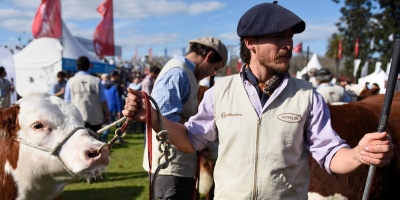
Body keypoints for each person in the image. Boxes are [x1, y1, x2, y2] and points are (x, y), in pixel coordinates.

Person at [123, 2, 394, 199]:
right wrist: (153, 117)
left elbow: (331, 154)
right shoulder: (220, 92)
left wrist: (359, 153)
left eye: (290, 36)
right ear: (250, 42)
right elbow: (190, 140)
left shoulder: (308, 96)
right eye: (278, 37)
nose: (288, 44)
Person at [140, 36, 227, 199]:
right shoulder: (178, 73)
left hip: (177, 165)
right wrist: (201, 135)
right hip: (170, 166)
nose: (213, 73)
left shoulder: (186, 74)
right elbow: (164, 119)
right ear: (208, 56)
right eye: (215, 68)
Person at [64, 56, 110, 132]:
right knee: (96, 141)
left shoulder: (70, 81)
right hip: (95, 117)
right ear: (89, 66)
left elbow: (67, 101)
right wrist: (107, 114)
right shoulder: (96, 80)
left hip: (77, 118)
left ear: (77, 66)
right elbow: (103, 100)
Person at [101, 71, 125, 143]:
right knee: (118, 125)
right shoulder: (117, 86)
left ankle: (103, 139)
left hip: (107, 107)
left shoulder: (104, 85)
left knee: (107, 125)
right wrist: (120, 110)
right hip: (115, 107)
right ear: (115, 76)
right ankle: (119, 139)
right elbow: (118, 99)